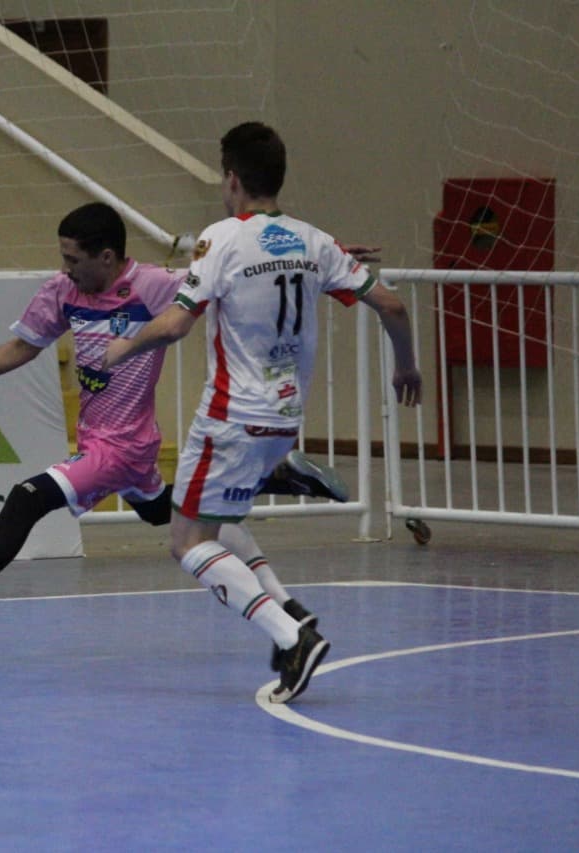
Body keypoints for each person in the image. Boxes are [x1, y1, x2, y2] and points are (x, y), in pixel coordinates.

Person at [0, 201, 355, 638]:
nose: (65, 269)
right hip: (114, 441)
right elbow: (23, 347)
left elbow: (239, 275)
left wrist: (321, 262)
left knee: (26, 500)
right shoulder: (64, 292)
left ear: (108, 257)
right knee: (162, 511)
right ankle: (279, 480)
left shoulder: (155, 286)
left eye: (73, 259)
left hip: (119, 448)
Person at [101, 122, 423, 704]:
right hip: (284, 418)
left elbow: (176, 322)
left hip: (231, 416)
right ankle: (290, 609)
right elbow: (393, 305)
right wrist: (406, 367)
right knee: (223, 522)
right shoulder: (316, 241)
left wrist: (122, 348)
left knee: (187, 541)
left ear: (231, 180)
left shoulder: (220, 238)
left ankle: (289, 635)